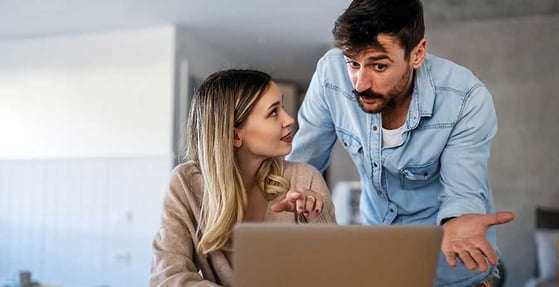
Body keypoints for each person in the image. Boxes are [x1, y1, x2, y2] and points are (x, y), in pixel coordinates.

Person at [286, 0, 515, 286]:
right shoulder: (330, 75)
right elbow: (302, 164)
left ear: (417, 53)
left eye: (378, 66)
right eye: (353, 64)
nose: (359, 83)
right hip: (383, 262)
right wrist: (299, 195)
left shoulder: (465, 98)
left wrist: (458, 220)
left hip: (452, 269)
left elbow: (462, 188)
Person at [150, 69, 336, 286]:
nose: (289, 119)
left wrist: (316, 219)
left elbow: (334, 271)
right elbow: (166, 277)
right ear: (235, 135)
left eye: (282, 107)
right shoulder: (186, 182)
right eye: (273, 113)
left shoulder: (305, 178)